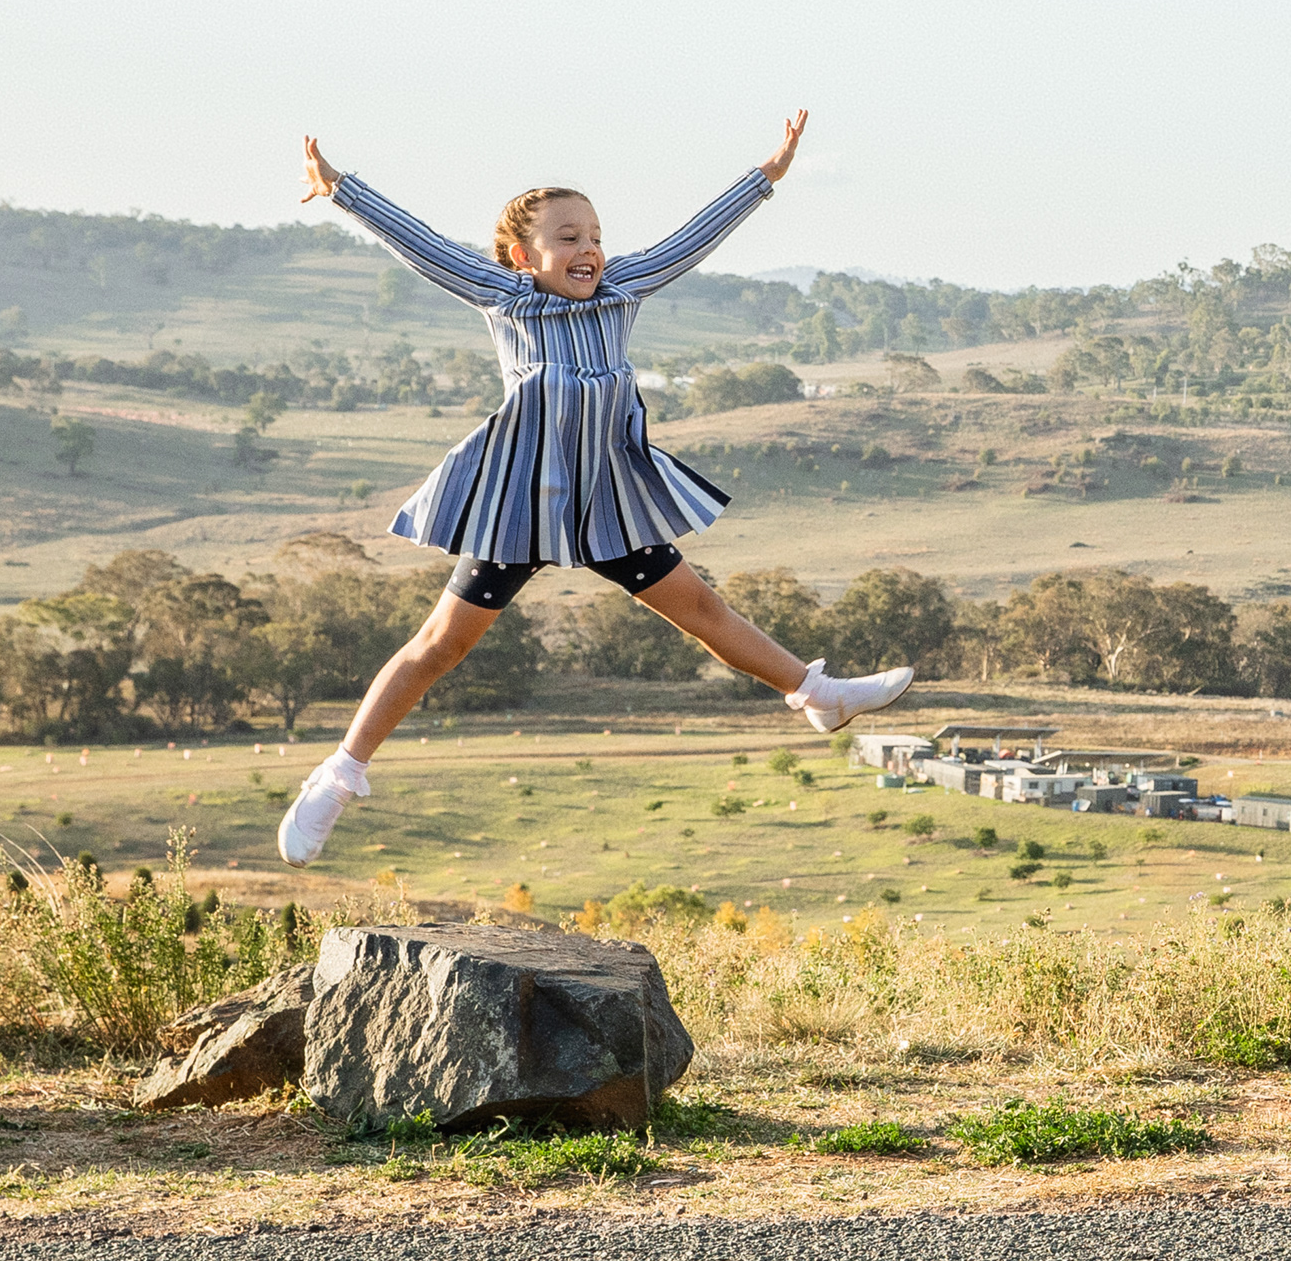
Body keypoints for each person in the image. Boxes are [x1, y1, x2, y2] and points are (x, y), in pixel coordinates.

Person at [274, 117, 913, 865]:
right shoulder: (503, 296)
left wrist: (768, 173)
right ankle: (339, 775)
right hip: (522, 500)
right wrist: (342, 188)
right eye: (569, 237)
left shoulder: (625, 287)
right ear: (524, 256)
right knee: (441, 645)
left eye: (596, 235)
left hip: (607, 497)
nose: (589, 250)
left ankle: (817, 695)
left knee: (703, 607)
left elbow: (696, 235)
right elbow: (422, 244)